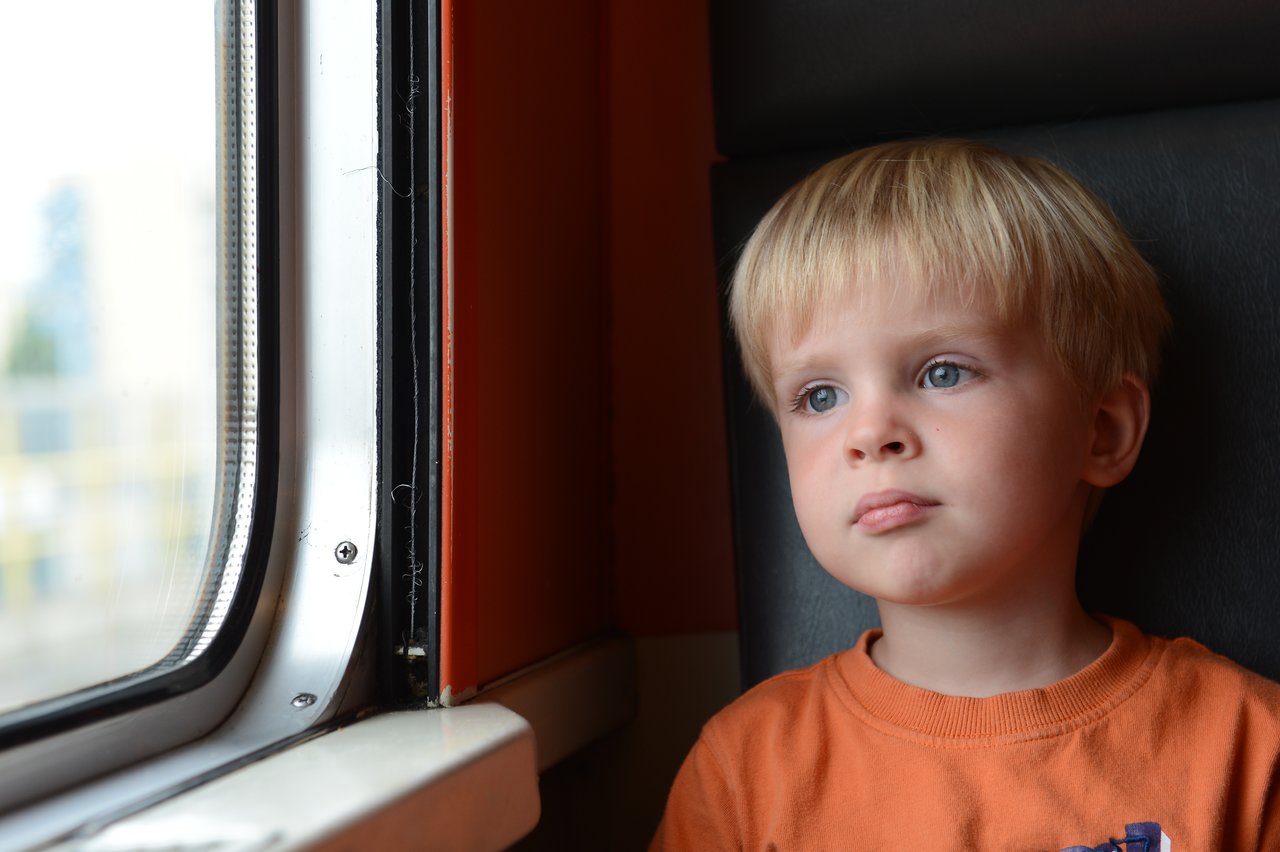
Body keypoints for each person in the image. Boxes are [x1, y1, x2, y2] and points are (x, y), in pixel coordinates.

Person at [651, 139, 1280, 850]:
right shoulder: (744, 772)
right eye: (819, 395)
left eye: (943, 373)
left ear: (1100, 432)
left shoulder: (1248, 747)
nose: (870, 432)